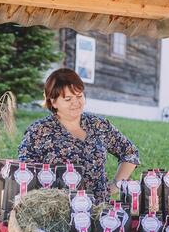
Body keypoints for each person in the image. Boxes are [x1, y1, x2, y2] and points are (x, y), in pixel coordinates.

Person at [18, 68, 140, 204]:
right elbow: (24, 175)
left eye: (79, 96)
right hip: (57, 214)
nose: (76, 103)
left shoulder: (98, 125)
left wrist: (116, 185)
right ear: (53, 101)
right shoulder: (38, 131)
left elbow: (130, 152)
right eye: (68, 99)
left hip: (98, 212)